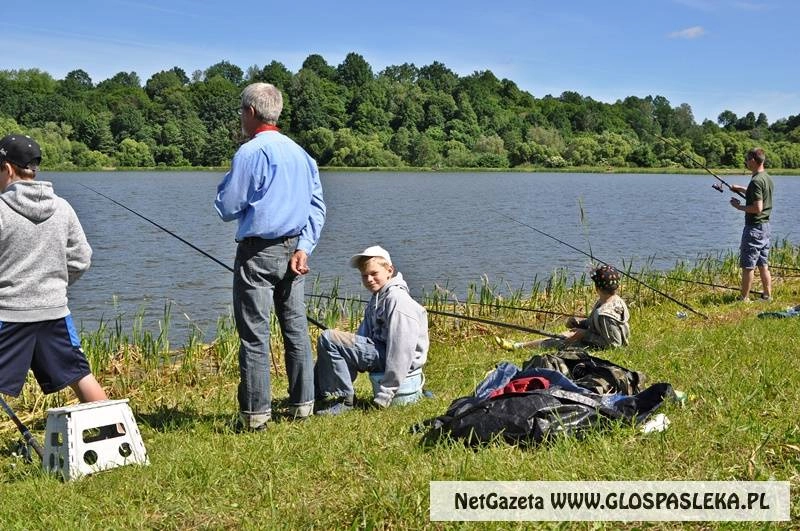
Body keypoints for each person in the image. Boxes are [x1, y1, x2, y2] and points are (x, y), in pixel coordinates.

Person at [214, 83, 326, 430]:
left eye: (241, 111)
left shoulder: (249, 152)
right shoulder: (302, 154)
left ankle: (255, 416)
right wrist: (304, 247)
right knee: (296, 329)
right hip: (295, 251)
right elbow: (317, 207)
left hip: (258, 253)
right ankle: (303, 405)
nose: (241, 117)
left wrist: (224, 187)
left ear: (250, 112)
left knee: (254, 335)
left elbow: (227, 207)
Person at [0, 134, 108, 404]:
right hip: (54, 311)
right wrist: (54, 283)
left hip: (6, 313)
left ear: (8, 169)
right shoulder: (63, 207)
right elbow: (81, 258)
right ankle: (115, 427)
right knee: (80, 375)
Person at [314, 246, 429, 415]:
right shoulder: (377, 297)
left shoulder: (397, 301)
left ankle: (344, 400)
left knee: (328, 338)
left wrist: (385, 394)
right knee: (331, 340)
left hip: (401, 361)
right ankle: (314, 394)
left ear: (389, 270)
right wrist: (348, 353)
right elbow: (361, 338)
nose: (369, 279)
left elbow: (401, 351)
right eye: (364, 275)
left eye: (374, 273)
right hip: (382, 352)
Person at [495, 264, 630, 351]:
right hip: (593, 338)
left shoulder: (605, 314)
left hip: (596, 345)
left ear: (597, 288)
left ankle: (517, 347)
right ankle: (519, 345)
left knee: (558, 342)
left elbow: (614, 345)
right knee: (564, 335)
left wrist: (584, 334)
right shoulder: (613, 301)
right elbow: (596, 325)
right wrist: (580, 323)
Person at [729, 147, 773, 302]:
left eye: (747, 159)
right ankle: (767, 296)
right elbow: (757, 194)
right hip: (765, 227)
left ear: (754, 160)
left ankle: (744, 298)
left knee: (748, 266)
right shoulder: (766, 177)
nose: (746, 162)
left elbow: (757, 208)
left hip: (754, 228)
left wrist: (739, 207)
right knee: (763, 264)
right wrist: (740, 189)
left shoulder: (756, 181)